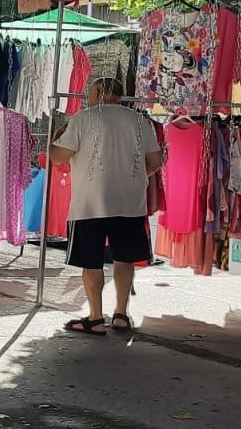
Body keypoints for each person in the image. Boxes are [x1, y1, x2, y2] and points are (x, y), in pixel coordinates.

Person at [50, 76, 163, 335]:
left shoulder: (82, 119)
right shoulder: (140, 121)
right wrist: (134, 177)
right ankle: (121, 314)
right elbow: (156, 160)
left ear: (99, 92)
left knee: (91, 262)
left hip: (90, 204)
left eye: (90, 91)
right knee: (125, 260)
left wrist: (57, 140)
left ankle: (95, 317)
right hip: (130, 202)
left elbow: (58, 158)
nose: (88, 97)